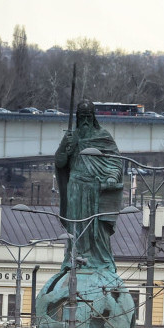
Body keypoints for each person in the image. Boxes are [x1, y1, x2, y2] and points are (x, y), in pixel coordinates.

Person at [54, 101, 124, 270]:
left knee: (97, 229)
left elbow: (115, 162)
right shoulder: (72, 137)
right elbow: (60, 162)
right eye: (82, 117)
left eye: (88, 117)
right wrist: (64, 147)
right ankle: (73, 257)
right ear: (77, 118)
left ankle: (101, 260)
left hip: (96, 188)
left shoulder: (103, 136)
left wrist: (112, 177)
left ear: (93, 117)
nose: (85, 120)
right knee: (75, 225)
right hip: (76, 187)